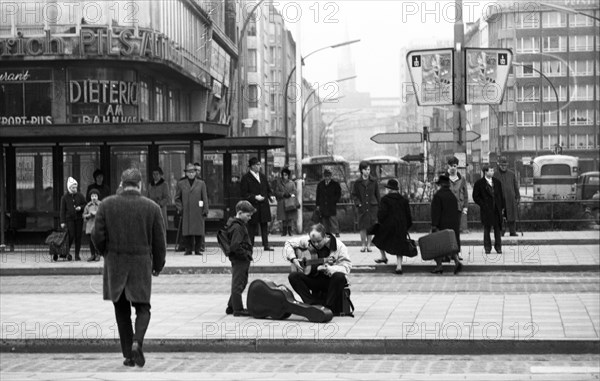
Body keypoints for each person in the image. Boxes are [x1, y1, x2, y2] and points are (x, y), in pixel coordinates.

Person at [92, 168, 166, 368]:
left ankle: (128, 355)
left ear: (122, 185)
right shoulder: (152, 208)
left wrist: (105, 252)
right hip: (141, 265)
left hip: (115, 264)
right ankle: (137, 342)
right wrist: (158, 265)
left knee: (121, 311)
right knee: (143, 308)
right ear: (140, 184)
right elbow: (160, 243)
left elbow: (96, 236)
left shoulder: (106, 205)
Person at [285, 223, 352, 316]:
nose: (316, 244)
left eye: (319, 241)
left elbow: (346, 267)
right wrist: (293, 259)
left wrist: (329, 268)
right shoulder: (307, 240)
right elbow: (288, 243)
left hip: (329, 281)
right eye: (313, 241)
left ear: (325, 237)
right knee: (293, 276)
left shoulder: (339, 246)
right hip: (313, 278)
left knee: (340, 277)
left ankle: (327, 307)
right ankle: (312, 304)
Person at [372, 179, 413, 275]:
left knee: (378, 237)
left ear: (389, 189)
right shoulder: (404, 200)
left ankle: (383, 256)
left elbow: (381, 214)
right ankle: (399, 266)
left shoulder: (385, 200)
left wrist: (382, 223)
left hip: (388, 226)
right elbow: (408, 216)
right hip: (401, 226)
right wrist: (406, 226)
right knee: (400, 244)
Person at [223, 200, 256, 317]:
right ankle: (238, 309)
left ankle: (231, 305)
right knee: (238, 283)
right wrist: (245, 255)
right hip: (240, 259)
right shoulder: (237, 227)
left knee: (241, 281)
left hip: (240, 258)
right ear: (240, 213)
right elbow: (235, 246)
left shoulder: (236, 224)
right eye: (248, 215)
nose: (250, 218)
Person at [240, 157, 276, 251]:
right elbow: (244, 194)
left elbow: (268, 189)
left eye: (259, 164)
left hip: (264, 205)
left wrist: (271, 196)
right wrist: (255, 197)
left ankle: (266, 245)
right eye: (257, 164)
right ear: (252, 166)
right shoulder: (246, 178)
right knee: (252, 226)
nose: (259, 166)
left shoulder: (263, 176)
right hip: (253, 205)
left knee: (264, 225)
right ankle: (250, 245)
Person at [430, 175, 463, 275]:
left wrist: (434, 225)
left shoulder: (438, 196)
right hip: (453, 225)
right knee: (450, 244)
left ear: (440, 185)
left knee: (437, 245)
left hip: (441, 224)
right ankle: (457, 261)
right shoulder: (452, 195)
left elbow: (435, 212)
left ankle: (439, 266)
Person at [175, 163, 209, 255]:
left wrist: (205, 210)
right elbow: (177, 198)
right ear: (186, 173)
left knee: (198, 231)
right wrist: (180, 208)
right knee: (187, 231)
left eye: (193, 172)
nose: (191, 174)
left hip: (198, 210)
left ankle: (198, 249)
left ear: (195, 173)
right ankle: (188, 249)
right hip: (186, 210)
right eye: (189, 172)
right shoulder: (181, 184)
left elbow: (204, 197)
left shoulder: (201, 183)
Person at [473, 165, 506, 254]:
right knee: (487, 229)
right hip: (486, 210)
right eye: (490, 171)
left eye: (492, 170)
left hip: (496, 209)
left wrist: (502, 207)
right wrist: (483, 204)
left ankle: (498, 247)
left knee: (497, 229)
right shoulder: (479, 183)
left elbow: (501, 196)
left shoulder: (497, 182)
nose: (492, 172)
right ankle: (487, 247)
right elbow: (475, 197)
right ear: (485, 172)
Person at [351, 161, 380, 252]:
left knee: (371, 226)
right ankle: (363, 245)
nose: (368, 171)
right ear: (361, 170)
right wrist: (358, 203)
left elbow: (377, 194)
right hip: (362, 207)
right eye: (366, 169)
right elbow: (354, 195)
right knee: (362, 226)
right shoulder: (357, 182)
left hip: (372, 207)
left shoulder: (374, 181)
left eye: (369, 169)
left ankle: (369, 245)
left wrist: (379, 206)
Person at [445, 156, 469, 259]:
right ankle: (446, 254)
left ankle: (456, 253)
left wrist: (465, 207)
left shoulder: (462, 179)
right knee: (446, 232)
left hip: (458, 208)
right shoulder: (444, 179)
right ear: (448, 166)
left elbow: (466, 194)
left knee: (456, 232)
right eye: (451, 166)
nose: (453, 168)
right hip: (446, 209)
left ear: (457, 166)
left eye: (454, 166)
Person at [60, 177, 86, 261]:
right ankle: (66, 251)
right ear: (69, 187)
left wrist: (80, 208)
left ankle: (77, 255)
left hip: (78, 219)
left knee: (78, 236)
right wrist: (62, 221)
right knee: (71, 235)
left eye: (76, 187)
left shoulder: (80, 195)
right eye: (73, 187)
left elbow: (85, 205)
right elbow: (62, 210)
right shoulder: (64, 197)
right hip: (69, 219)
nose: (75, 189)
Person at [494, 156, 520, 236]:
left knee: (511, 215)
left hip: (510, 198)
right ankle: (501, 231)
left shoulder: (511, 174)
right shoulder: (495, 174)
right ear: (499, 165)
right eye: (502, 165)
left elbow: (515, 186)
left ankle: (512, 231)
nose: (503, 167)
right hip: (499, 198)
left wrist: (518, 196)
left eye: (505, 165)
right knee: (500, 215)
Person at [315, 169, 342, 237]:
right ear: (324, 176)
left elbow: (338, 194)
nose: (327, 177)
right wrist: (317, 204)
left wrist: (335, 200)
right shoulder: (320, 184)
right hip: (323, 204)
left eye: (328, 176)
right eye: (326, 176)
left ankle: (336, 232)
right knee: (324, 219)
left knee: (333, 218)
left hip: (331, 204)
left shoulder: (335, 184)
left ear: (330, 176)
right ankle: (326, 232)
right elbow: (318, 195)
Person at [274, 167, 298, 236]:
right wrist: (283, 194)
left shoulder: (292, 183)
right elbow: (276, 192)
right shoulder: (279, 183)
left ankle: (290, 231)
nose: (285, 176)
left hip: (290, 201)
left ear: (288, 175)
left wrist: (290, 194)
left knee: (290, 217)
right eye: (283, 175)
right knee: (283, 217)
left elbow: (295, 191)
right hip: (282, 201)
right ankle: (284, 231)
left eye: (286, 175)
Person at [147, 167, 170, 233]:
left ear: (160, 175)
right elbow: (148, 196)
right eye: (154, 174)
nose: (155, 176)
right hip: (151, 208)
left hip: (161, 208)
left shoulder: (164, 184)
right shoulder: (150, 185)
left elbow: (167, 197)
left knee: (161, 227)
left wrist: (160, 203)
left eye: (157, 174)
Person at [83, 189, 102, 262]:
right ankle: (92, 255)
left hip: (97, 226)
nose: (94, 197)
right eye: (92, 196)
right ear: (90, 197)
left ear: (98, 197)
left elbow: (103, 214)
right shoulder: (88, 205)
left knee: (97, 241)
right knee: (91, 242)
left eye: (95, 196)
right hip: (90, 226)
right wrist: (89, 215)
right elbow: (84, 215)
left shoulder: (101, 204)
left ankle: (98, 254)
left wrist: (96, 213)